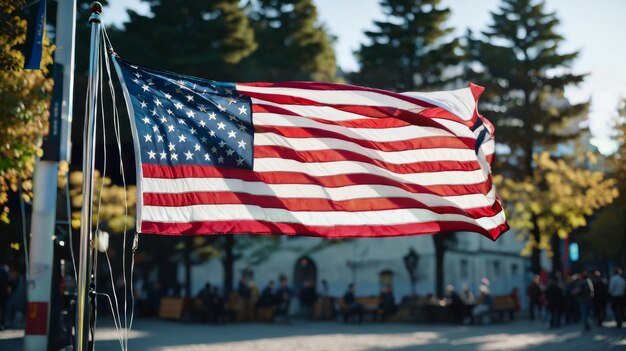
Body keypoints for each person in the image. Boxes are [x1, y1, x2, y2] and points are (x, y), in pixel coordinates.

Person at [0, 264, 9, 330]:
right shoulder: (6, 274)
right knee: (3, 310)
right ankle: (2, 324)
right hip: (3, 295)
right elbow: (8, 287)